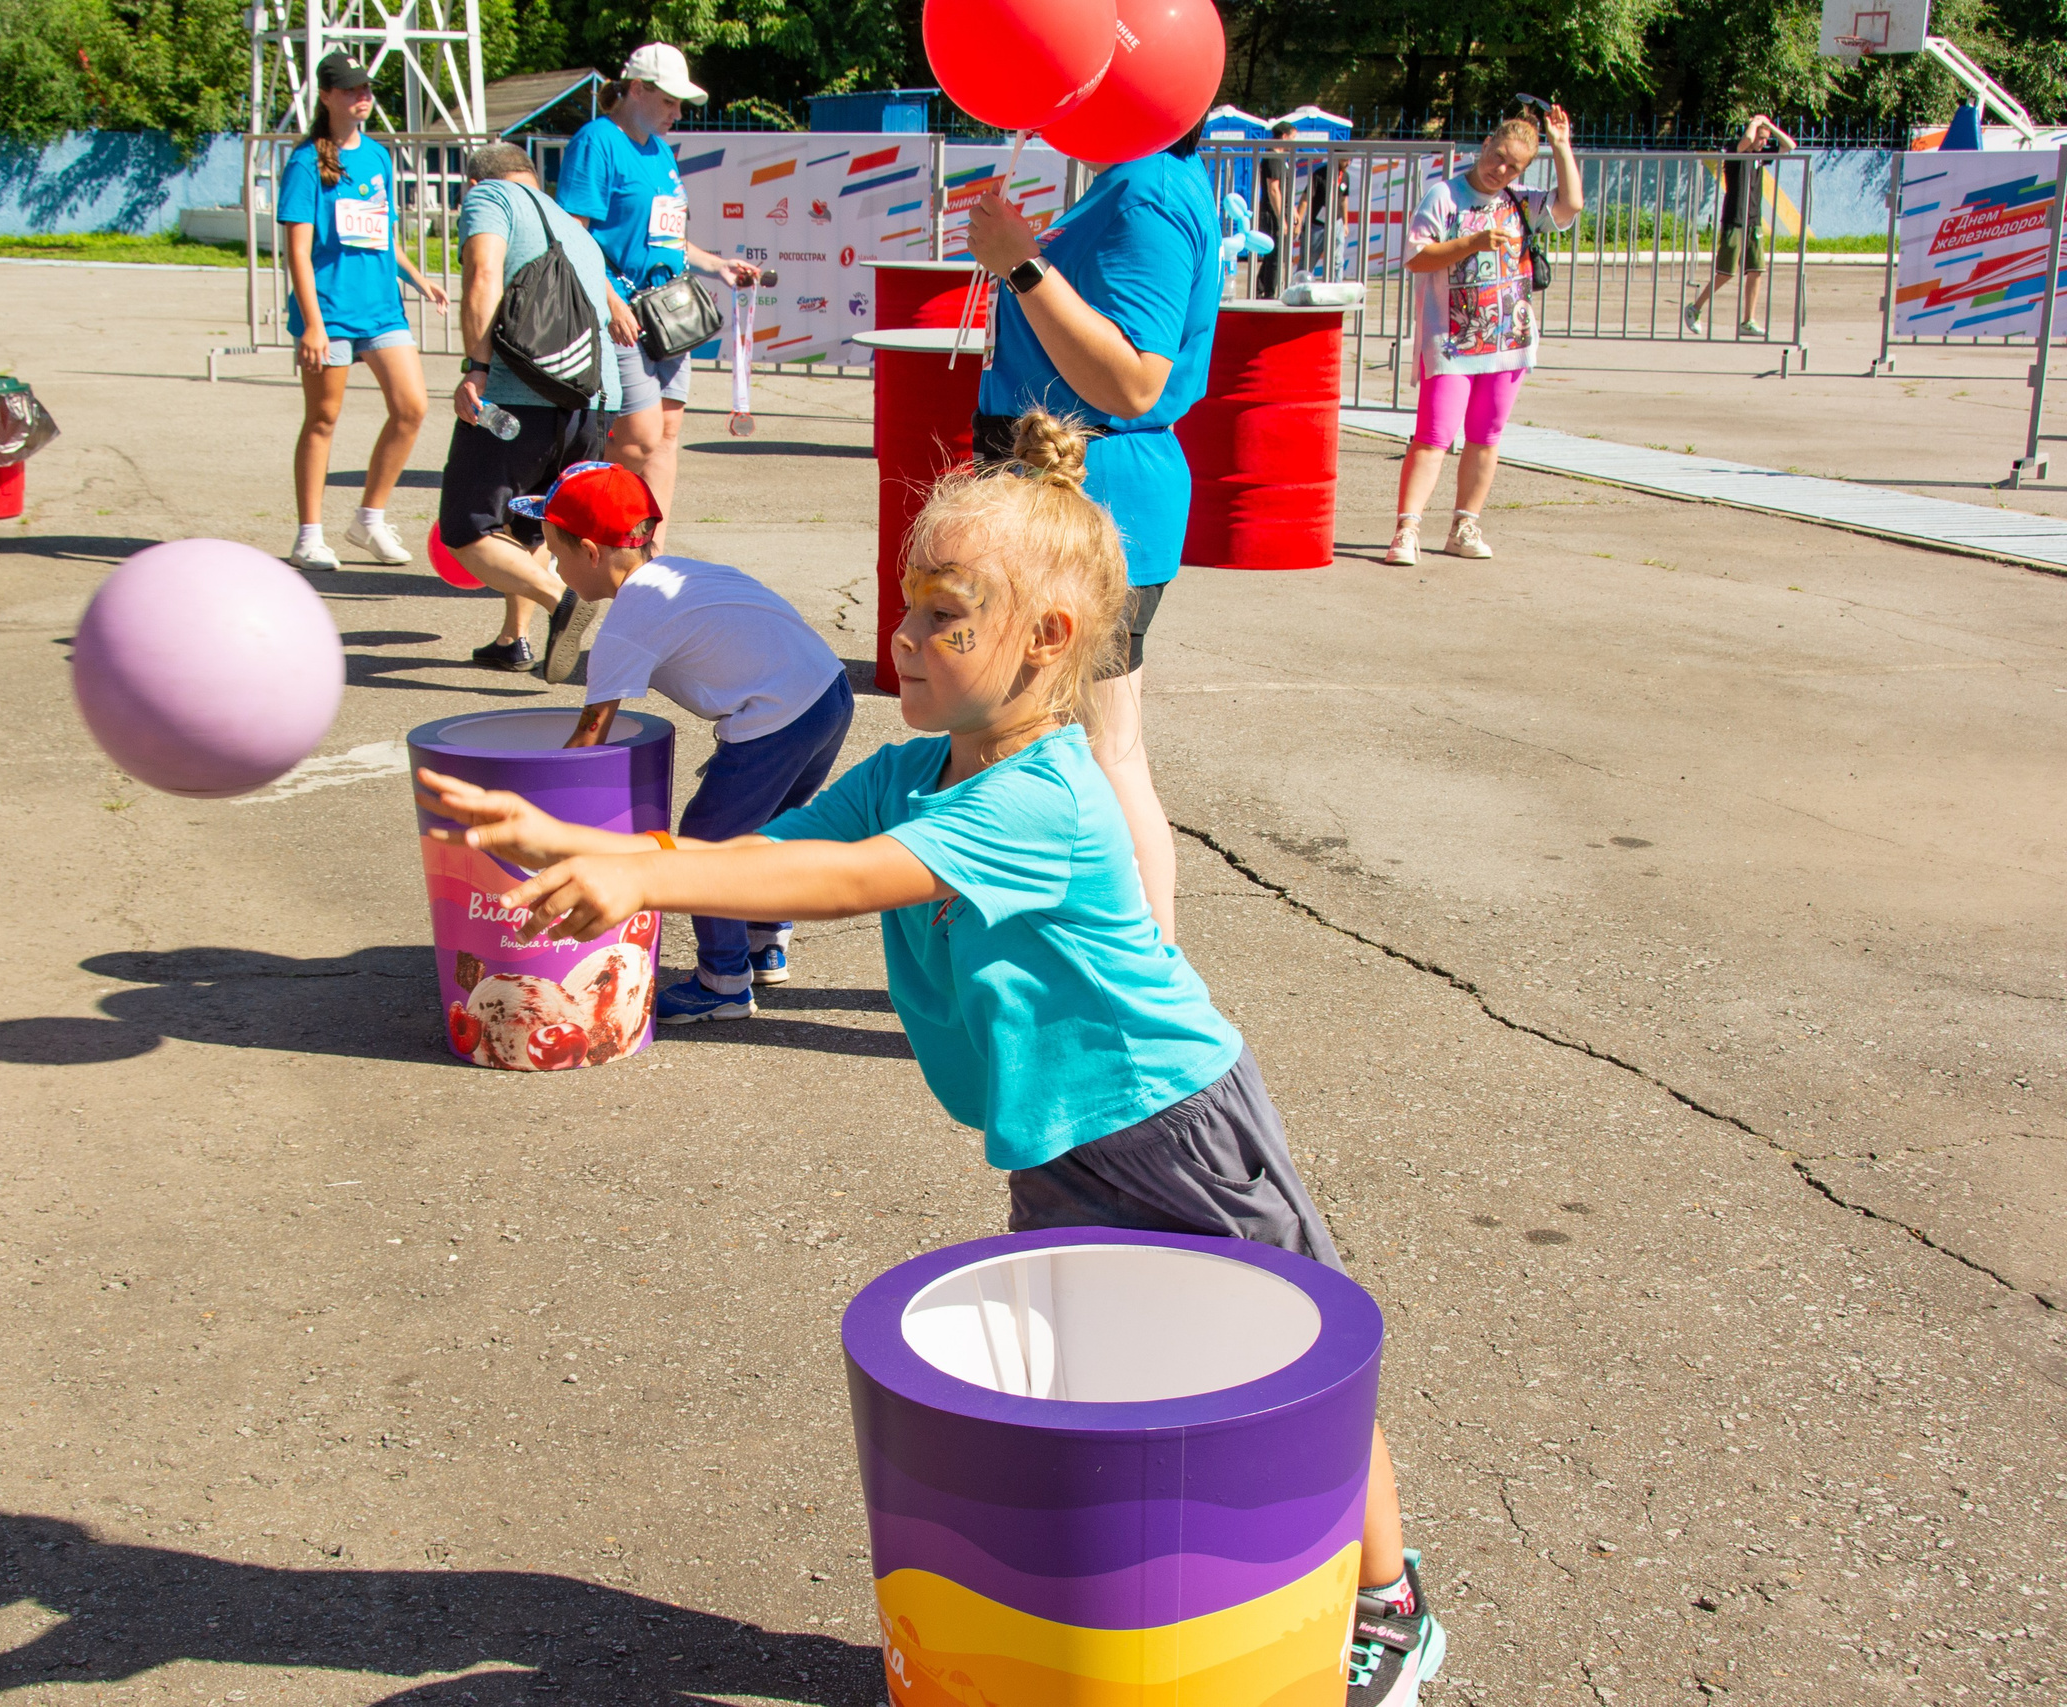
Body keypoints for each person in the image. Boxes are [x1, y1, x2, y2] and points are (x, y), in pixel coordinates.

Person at [415, 412, 1444, 1707]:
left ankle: (1388, 1604)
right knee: (1107, 1368)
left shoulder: (1040, 798)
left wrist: (637, 873)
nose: (901, 636)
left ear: (1047, 639)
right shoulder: (910, 773)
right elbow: (767, 852)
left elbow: (844, 881)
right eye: (905, 603)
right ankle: (1146, 1612)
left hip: (1172, 1122)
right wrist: (577, 839)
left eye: (943, 615)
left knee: (1293, 1373)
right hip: (1057, 1139)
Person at [962, 111, 1224, 948]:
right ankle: (1114, 967)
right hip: (1069, 491)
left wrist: (1022, 264)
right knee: (1073, 745)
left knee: (1103, 750)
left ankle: (1146, 975)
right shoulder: (1140, 180)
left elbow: (1132, 380)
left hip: (1093, 500)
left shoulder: (1147, 191)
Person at [515, 459, 853, 1023]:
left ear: (590, 554)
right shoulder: (687, 572)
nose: (555, 568)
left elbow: (591, 737)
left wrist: (537, 808)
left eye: (555, 554)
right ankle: (763, 941)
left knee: (705, 843)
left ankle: (724, 982)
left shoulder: (627, 622)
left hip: (778, 720)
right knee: (774, 828)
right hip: (829, 694)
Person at [553, 44, 763, 537]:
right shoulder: (597, 142)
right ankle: (582, 531)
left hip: (669, 316)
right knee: (638, 437)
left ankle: (651, 550)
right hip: (621, 314)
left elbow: (665, 238)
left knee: (666, 435)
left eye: (679, 103)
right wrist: (610, 302)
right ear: (637, 89)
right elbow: (571, 235)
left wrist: (716, 265)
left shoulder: (661, 151)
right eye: (668, 101)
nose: (677, 113)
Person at [440, 142, 623, 681]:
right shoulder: (570, 223)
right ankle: (512, 640)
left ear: (475, 184)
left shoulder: (491, 196)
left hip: (521, 396)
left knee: (467, 529)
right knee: (532, 528)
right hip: (593, 403)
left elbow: (483, 274)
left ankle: (559, 596)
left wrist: (476, 367)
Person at [1382, 104, 1581, 568]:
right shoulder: (1444, 196)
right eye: (1498, 157)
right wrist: (1471, 242)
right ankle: (1407, 529)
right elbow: (1416, 257)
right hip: (1451, 343)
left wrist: (1562, 145)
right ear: (1486, 144)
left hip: (1508, 343)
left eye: (1514, 167)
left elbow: (1571, 205)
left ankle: (1465, 524)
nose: (1501, 170)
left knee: (1486, 436)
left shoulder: (1521, 201)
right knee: (1433, 436)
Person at [280, 51, 450, 572]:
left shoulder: (377, 156)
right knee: (323, 418)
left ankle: (369, 520)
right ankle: (309, 536)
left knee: (412, 408)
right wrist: (312, 324)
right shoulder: (305, 163)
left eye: (367, 89)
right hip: (329, 312)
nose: (363, 97)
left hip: (382, 310)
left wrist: (417, 278)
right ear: (326, 96)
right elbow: (298, 252)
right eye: (351, 89)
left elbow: (384, 236)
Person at [1685, 114, 1794, 339]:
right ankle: (1695, 308)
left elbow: (1789, 146)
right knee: (1726, 272)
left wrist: (1769, 126)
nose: (1764, 142)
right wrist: (1754, 123)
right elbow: (1746, 142)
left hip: (1753, 219)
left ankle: (1748, 321)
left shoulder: (1760, 156)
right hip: (1734, 218)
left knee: (1756, 270)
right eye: (1761, 138)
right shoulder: (1735, 150)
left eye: (1766, 139)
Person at [1255, 119, 1300, 299]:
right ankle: (1268, 295)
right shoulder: (1273, 158)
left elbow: (1284, 190)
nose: (1295, 142)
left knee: (1274, 256)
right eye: (1293, 138)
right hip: (1273, 214)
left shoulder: (1282, 159)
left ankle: (1261, 290)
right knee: (1275, 256)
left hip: (1281, 213)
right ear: (1284, 136)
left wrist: (1293, 211)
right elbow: (1273, 190)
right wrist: (1282, 219)